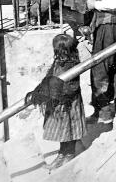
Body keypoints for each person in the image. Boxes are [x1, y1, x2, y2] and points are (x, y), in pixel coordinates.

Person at [25, 34, 85, 171]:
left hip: (68, 104)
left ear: (61, 50)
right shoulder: (59, 62)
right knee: (63, 133)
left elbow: (72, 87)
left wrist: (55, 91)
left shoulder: (72, 64)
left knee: (69, 132)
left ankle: (69, 155)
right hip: (59, 103)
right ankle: (61, 155)